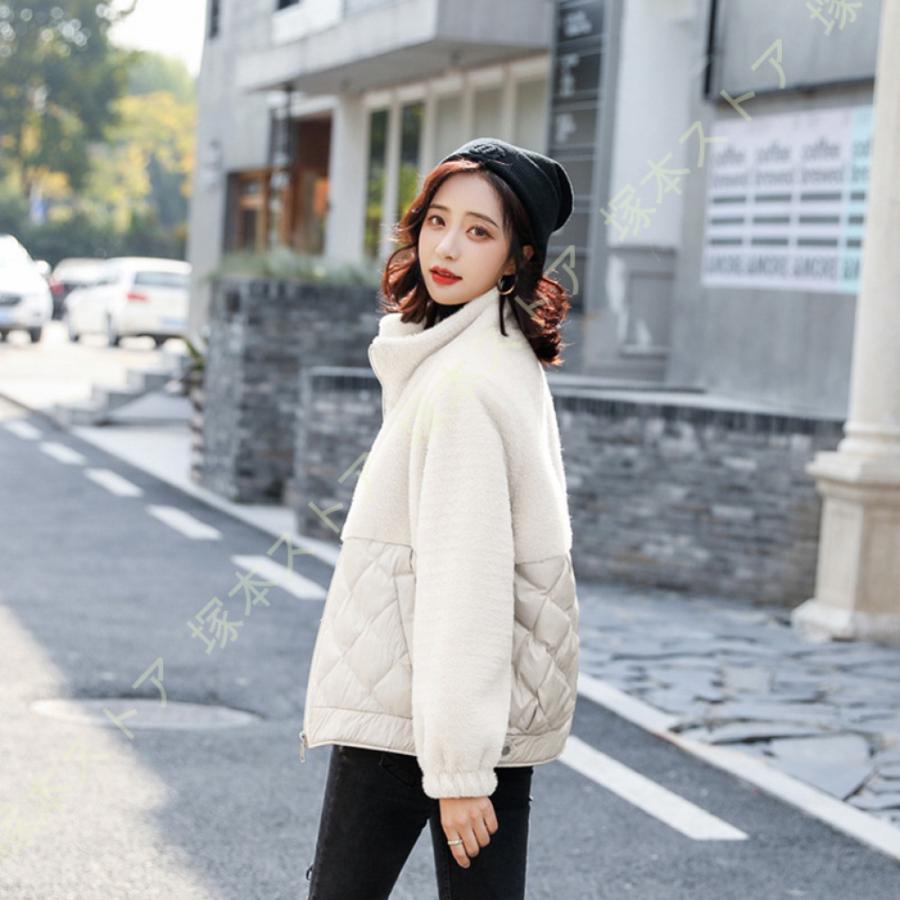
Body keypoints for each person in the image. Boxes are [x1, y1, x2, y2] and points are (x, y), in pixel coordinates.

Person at [300, 136, 580, 899]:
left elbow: (468, 583)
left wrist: (458, 770)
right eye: (437, 221)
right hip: (464, 717)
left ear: (518, 257)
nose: (448, 247)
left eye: (479, 231)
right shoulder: (496, 355)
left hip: (421, 718)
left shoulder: (463, 386)